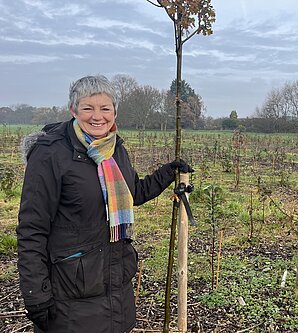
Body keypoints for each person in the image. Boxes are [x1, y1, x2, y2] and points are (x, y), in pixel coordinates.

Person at [16, 75, 192, 333]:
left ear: (115, 111)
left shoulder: (114, 148)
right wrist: (36, 295)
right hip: (71, 293)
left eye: (105, 108)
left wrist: (168, 174)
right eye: (88, 108)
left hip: (115, 283)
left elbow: (133, 193)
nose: (97, 116)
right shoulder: (50, 154)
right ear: (73, 110)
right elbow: (32, 229)